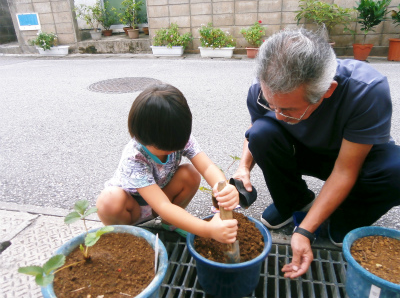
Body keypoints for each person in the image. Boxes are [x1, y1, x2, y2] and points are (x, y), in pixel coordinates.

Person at [233, 28, 400, 278]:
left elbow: (345, 169)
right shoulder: (261, 90)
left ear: (328, 91)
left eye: (289, 110)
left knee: (395, 170)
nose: (278, 115)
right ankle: (294, 201)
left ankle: (343, 218)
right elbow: (255, 129)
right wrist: (244, 167)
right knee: (261, 133)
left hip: (352, 157)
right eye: (271, 104)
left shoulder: (366, 90)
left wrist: (305, 231)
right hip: (301, 149)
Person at [97, 83, 239, 244]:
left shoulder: (177, 137)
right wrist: (207, 230)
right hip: (132, 209)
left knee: (190, 173)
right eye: (165, 150)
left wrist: (224, 186)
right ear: (140, 137)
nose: (172, 151)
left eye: (177, 146)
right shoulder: (134, 158)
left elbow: (207, 167)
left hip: (161, 199)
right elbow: (163, 205)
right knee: (109, 201)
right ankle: (126, 235)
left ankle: (170, 222)